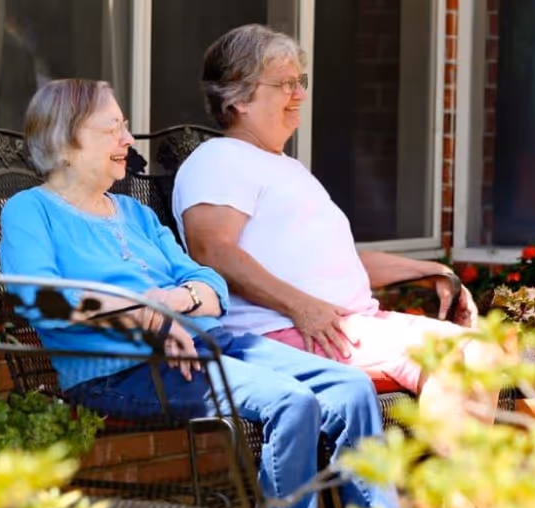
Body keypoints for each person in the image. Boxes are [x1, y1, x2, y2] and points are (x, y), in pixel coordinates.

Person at [0, 78, 398, 508]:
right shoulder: (30, 210)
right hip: (123, 368)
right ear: (66, 139)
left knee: (350, 388)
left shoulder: (136, 213)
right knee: (292, 402)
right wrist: (145, 316)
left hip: (211, 344)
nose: (127, 140)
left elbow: (211, 287)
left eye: (125, 127)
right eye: (112, 129)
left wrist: (175, 301)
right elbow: (42, 303)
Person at [172, 24, 503, 453]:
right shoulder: (219, 159)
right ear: (237, 97)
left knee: (482, 349)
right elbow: (211, 250)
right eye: (285, 84)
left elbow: (340, 262)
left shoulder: (286, 168)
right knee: (459, 359)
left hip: (342, 326)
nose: (300, 95)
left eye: (299, 82)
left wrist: (428, 270)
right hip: (282, 334)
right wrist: (300, 306)